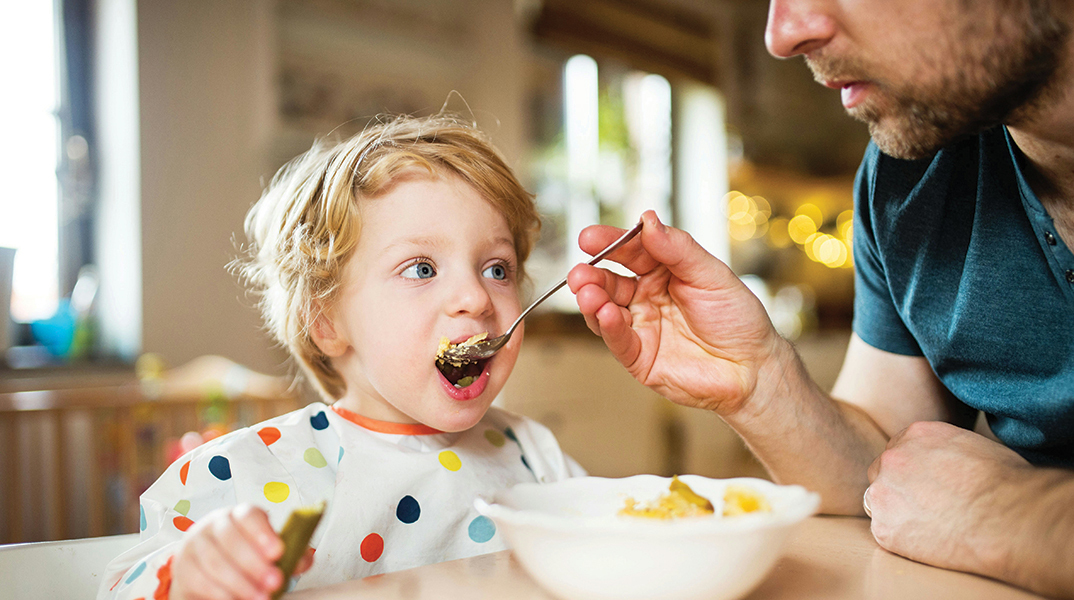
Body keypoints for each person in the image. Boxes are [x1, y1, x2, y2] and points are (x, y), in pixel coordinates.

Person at [567, 0, 1073, 597]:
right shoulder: (908, 178)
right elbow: (883, 467)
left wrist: (1015, 514)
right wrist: (759, 383)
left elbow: (977, 509)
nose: (782, 35)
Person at [99, 114, 585, 600]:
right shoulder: (249, 471)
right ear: (326, 321)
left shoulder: (533, 455)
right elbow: (120, 587)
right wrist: (189, 575)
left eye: (497, 268)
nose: (476, 297)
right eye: (421, 268)